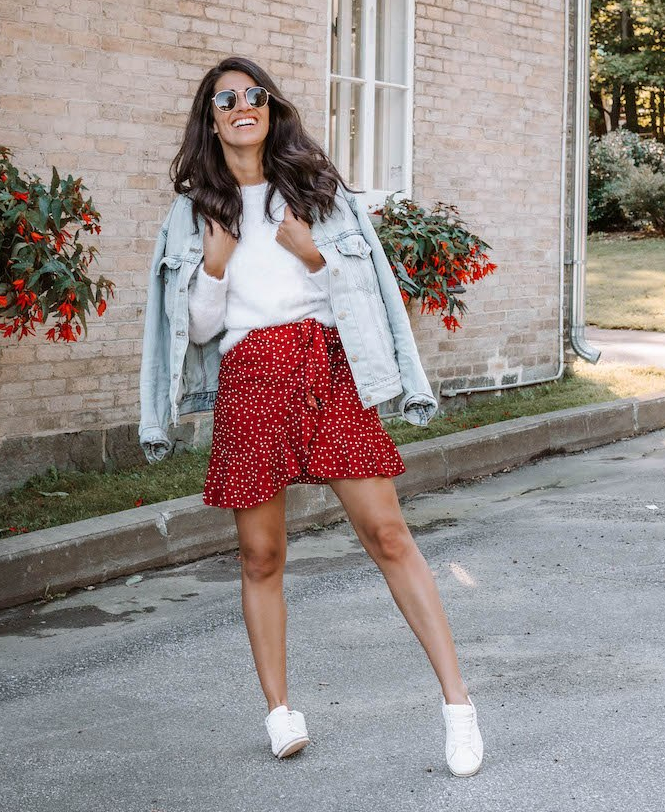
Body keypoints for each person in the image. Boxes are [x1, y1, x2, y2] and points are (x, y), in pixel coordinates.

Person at [148, 56, 483, 777]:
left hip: (326, 366)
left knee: (388, 534)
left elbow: (362, 300)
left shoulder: (318, 193)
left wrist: (312, 258)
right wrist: (215, 265)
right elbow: (195, 331)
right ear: (211, 120)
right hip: (250, 377)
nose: (242, 106)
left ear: (271, 108)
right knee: (261, 556)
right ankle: (280, 712)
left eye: (253, 95)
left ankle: (458, 706)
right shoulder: (195, 213)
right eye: (226, 100)